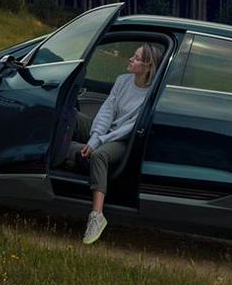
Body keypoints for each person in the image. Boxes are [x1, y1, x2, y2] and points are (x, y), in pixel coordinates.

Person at [63, 42, 160, 244]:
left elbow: (129, 129)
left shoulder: (151, 95)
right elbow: (107, 111)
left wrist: (99, 143)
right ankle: (60, 156)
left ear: (148, 66)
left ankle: (97, 216)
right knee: (70, 115)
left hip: (124, 139)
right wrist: (94, 137)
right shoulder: (123, 80)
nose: (130, 59)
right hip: (107, 131)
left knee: (99, 155)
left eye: (136, 58)